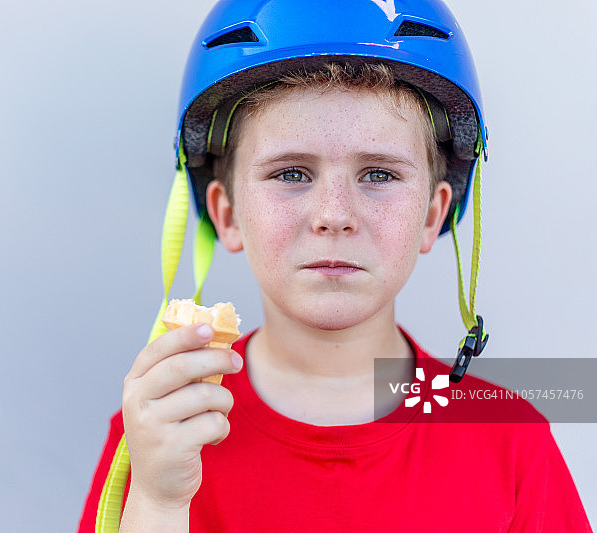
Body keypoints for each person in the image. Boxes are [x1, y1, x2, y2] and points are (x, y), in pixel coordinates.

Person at [79, 1, 592, 531]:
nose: (334, 216)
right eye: (292, 173)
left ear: (431, 215)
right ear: (226, 214)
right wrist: (159, 502)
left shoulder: (509, 438)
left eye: (378, 175)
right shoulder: (160, 426)